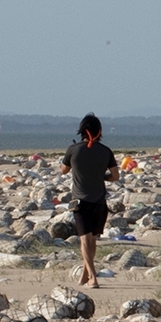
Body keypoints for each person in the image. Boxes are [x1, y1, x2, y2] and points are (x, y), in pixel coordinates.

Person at [60, 113, 117, 291]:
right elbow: (115, 176)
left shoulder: (73, 149)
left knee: (85, 241)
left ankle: (93, 277)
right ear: (99, 131)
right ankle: (85, 274)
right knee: (92, 241)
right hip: (99, 201)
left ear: (82, 131)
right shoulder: (106, 151)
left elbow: (63, 170)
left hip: (80, 201)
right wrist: (101, 176)